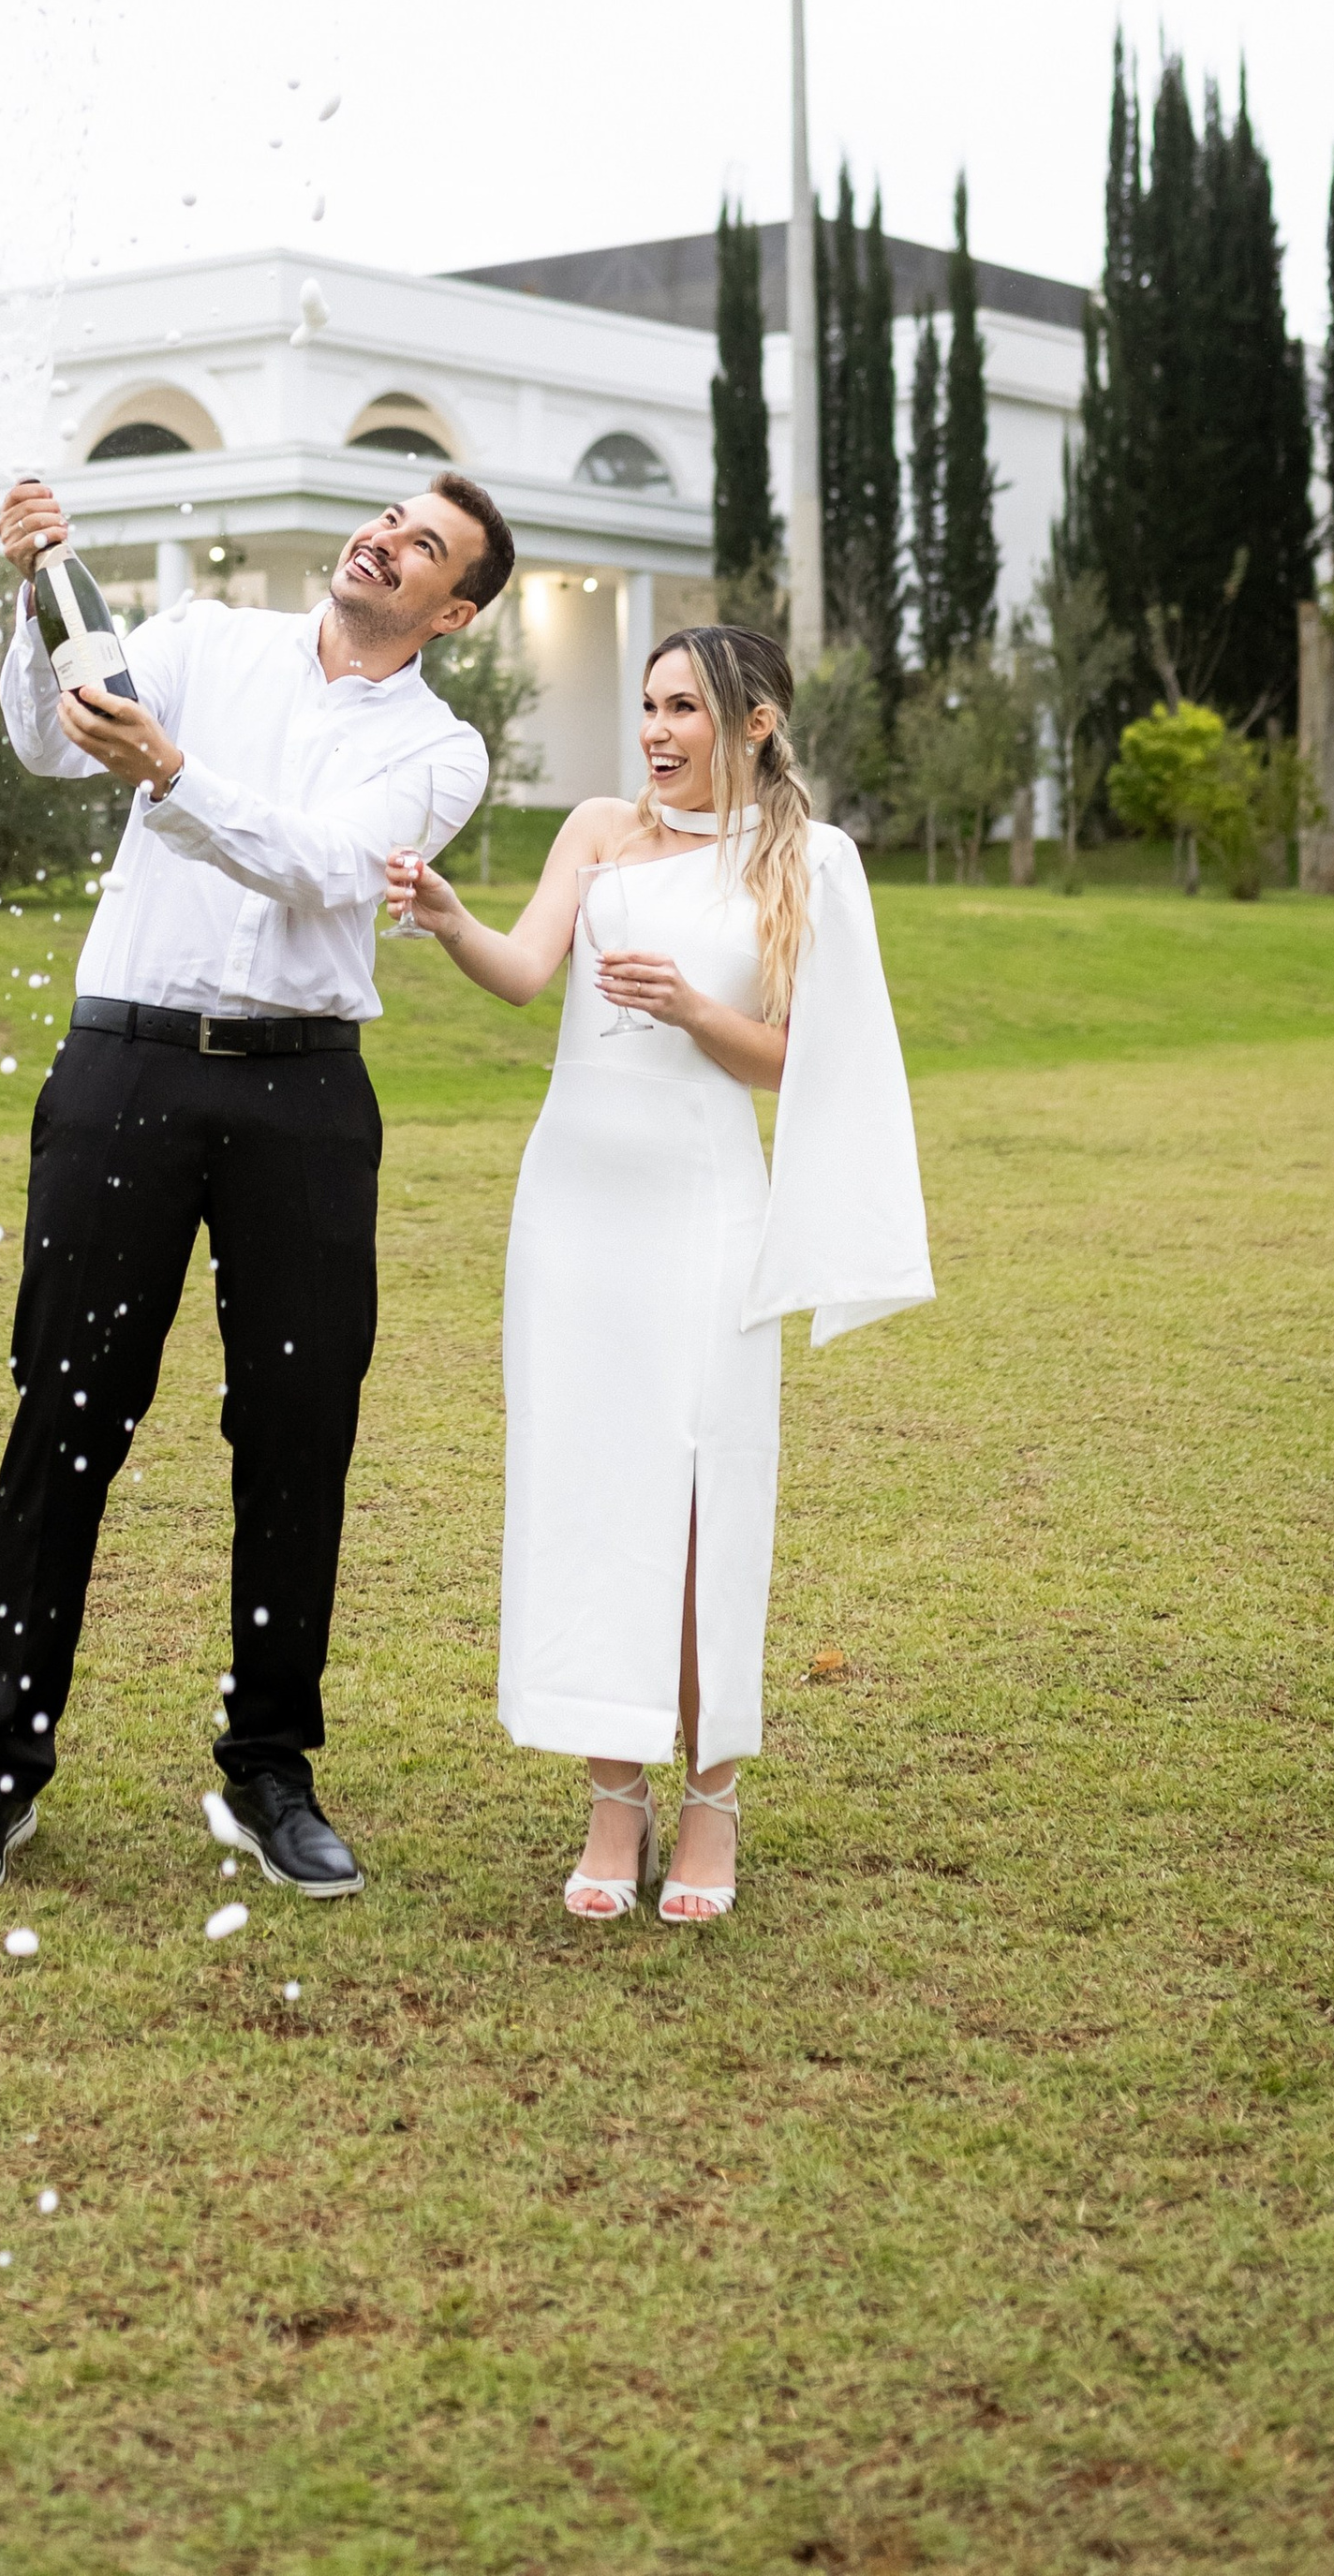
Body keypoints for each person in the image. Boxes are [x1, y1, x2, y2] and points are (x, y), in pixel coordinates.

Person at [0, 467, 512, 1909]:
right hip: (123, 1071)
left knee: (298, 1430)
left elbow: (325, 869)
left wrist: (171, 773)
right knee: (66, 1410)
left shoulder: (442, 751)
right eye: (385, 514)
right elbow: (52, 746)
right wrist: (36, 589)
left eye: (424, 543)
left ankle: (269, 1767)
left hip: (303, 1097)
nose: (383, 536)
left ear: (459, 609)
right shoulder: (203, 638)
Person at [389, 622, 931, 1923]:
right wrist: (454, 915)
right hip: (573, 1216)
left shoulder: (810, 863)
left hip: (703, 1215)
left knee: (700, 1508)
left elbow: (809, 1064)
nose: (657, 733)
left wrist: (694, 1010)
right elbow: (527, 975)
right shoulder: (595, 833)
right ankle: (610, 1798)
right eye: (647, 707)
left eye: (685, 709)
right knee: (589, 1493)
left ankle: (713, 1803)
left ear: (753, 723)